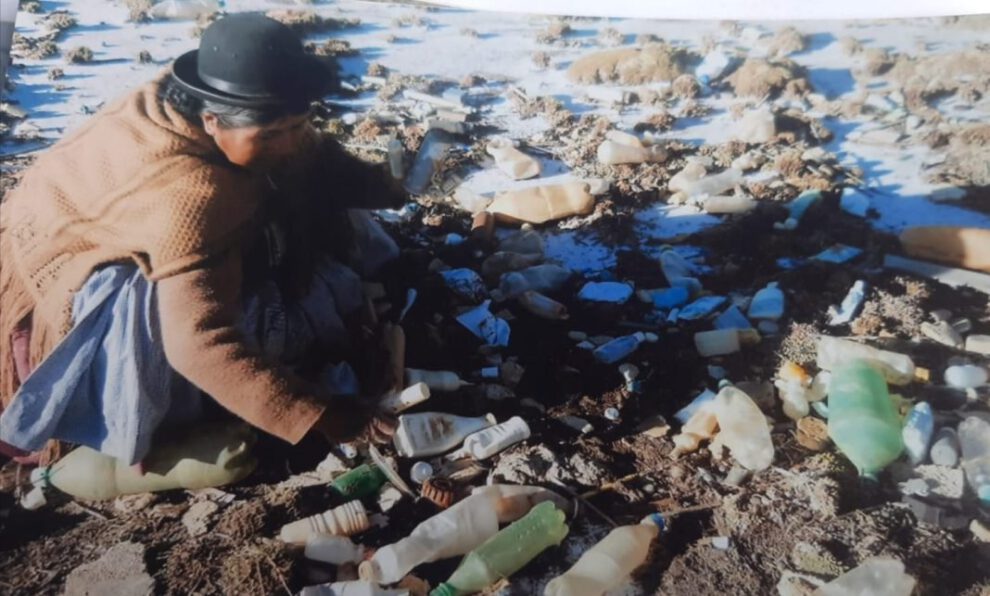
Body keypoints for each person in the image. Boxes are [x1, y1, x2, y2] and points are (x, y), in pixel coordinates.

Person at [0, 13, 403, 469]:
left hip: (116, 222)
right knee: (217, 321)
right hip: (67, 279)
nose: (289, 143)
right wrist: (319, 415)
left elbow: (309, 152)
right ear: (211, 121)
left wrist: (384, 187)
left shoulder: (196, 98)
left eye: (297, 125)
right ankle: (137, 422)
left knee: (305, 194)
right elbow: (200, 343)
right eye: (270, 135)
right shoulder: (192, 198)